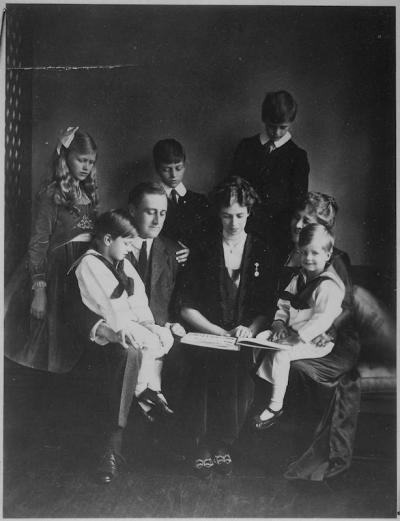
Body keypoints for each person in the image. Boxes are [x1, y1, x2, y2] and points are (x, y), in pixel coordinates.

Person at [74, 182, 188, 482]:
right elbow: (78, 304)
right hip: (107, 337)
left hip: (151, 330)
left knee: (179, 355)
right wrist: (107, 330)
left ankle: (164, 441)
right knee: (127, 355)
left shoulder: (174, 251)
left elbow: (176, 301)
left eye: (163, 213)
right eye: (150, 212)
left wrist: (171, 324)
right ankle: (111, 449)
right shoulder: (101, 251)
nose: (157, 220)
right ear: (133, 211)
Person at [180, 176, 279, 479]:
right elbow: (185, 306)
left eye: (240, 215)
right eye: (226, 215)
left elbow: (266, 307)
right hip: (205, 334)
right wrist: (217, 332)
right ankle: (199, 445)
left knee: (237, 369)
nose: (233, 222)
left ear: (249, 212)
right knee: (203, 365)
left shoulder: (262, 250)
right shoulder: (203, 247)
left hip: (242, 338)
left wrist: (248, 328)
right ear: (218, 214)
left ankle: (223, 443)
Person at [5, 126, 98, 373]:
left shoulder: (88, 194)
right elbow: (38, 244)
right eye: (81, 160)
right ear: (66, 157)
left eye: (91, 162)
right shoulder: (52, 194)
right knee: (50, 344)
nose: (87, 167)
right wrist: (39, 289)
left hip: (80, 274)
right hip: (55, 276)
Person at [73, 209, 174, 424]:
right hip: (113, 323)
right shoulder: (90, 264)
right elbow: (110, 304)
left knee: (163, 336)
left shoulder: (123, 263)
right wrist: (122, 330)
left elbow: (138, 297)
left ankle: (151, 388)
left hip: (132, 319)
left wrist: (148, 322)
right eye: (127, 244)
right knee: (144, 341)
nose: (130, 250)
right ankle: (141, 391)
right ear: (108, 239)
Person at [253, 224, 345, 430]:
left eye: (315, 253)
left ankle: (275, 406)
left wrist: (297, 337)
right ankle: (259, 388)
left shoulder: (328, 285)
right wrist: (278, 324)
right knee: (261, 338)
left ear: (328, 254)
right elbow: (284, 303)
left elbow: (322, 319)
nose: (308, 258)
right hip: (292, 330)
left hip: (315, 340)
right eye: (304, 253)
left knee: (281, 355)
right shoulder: (299, 277)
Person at [232, 90, 309, 255]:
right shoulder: (246, 147)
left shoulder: (298, 157)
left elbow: (298, 201)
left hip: (278, 233)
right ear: (263, 119)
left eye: (283, 127)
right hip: (245, 227)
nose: (277, 132)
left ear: (291, 123)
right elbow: (233, 187)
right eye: (272, 126)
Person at [153, 138, 209, 255]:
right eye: (166, 169)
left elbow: (209, 239)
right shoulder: (151, 201)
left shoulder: (200, 201)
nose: (173, 175)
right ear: (157, 169)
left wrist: (192, 252)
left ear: (185, 166)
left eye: (178, 168)